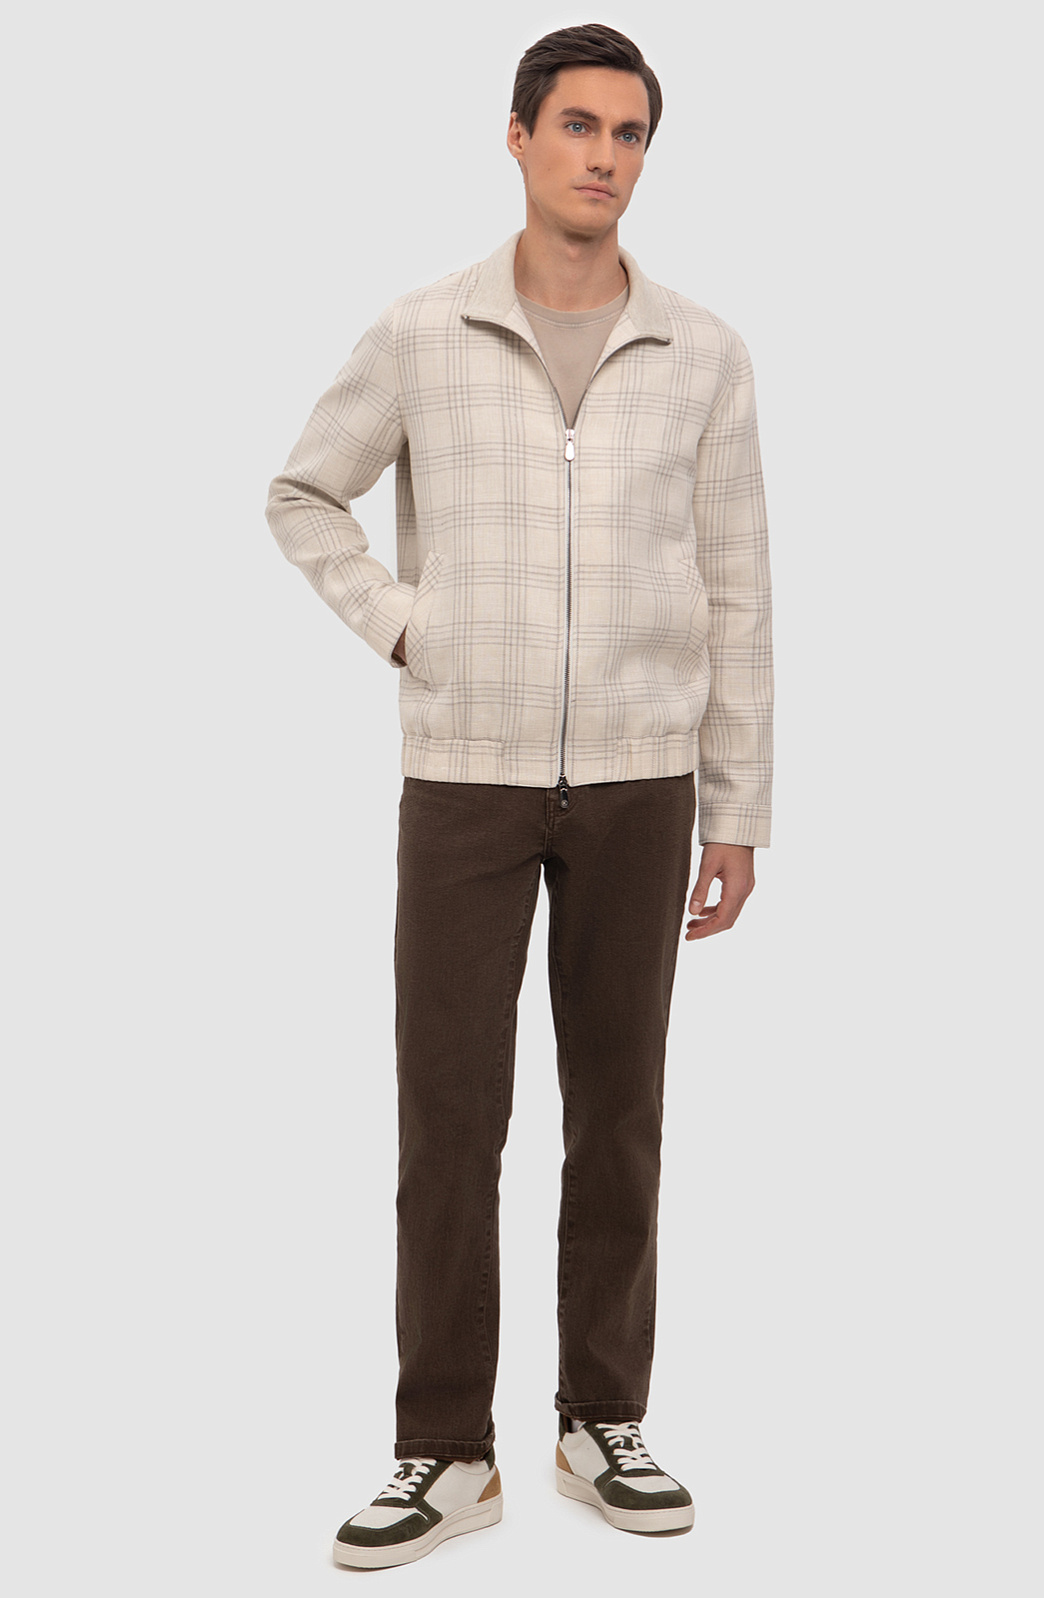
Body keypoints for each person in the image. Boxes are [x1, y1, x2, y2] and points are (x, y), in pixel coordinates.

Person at [264, 21, 773, 1571]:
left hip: (640, 784)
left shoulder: (703, 351)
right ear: (518, 137)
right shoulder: (427, 330)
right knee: (449, 1118)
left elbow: (740, 587)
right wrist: (406, 624)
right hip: (465, 781)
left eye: (630, 133)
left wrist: (738, 804)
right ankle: (444, 1450)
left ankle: (600, 1418)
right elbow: (304, 492)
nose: (605, 155)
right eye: (578, 126)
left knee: (620, 1115)